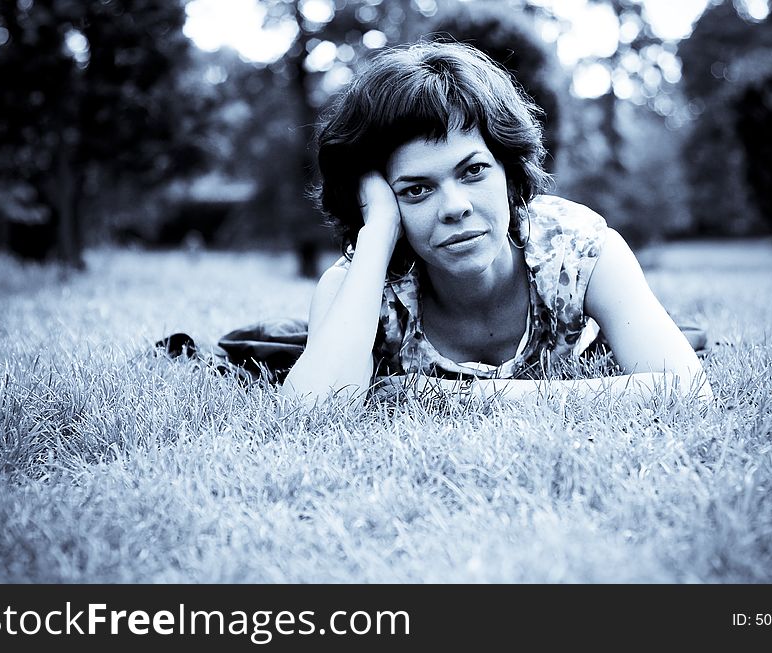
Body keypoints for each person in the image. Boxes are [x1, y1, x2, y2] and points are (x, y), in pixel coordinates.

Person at [273, 40, 712, 409]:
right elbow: (309, 412)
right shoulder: (360, 278)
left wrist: (458, 397)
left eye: (473, 171)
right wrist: (378, 231)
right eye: (416, 190)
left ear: (508, 170)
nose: (455, 207)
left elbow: (688, 390)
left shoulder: (580, 252)